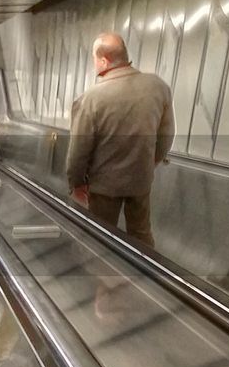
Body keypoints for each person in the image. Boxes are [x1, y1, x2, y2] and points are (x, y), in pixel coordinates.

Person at [66, 33, 174, 248]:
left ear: (104, 60)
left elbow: (79, 149)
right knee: (141, 233)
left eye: (94, 59)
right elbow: (166, 135)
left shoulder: (91, 98)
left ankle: (105, 281)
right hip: (141, 180)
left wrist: (76, 182)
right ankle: (147, 277)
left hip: (104, 186)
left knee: (102, 236)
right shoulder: (158, 87)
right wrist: (150, 163)